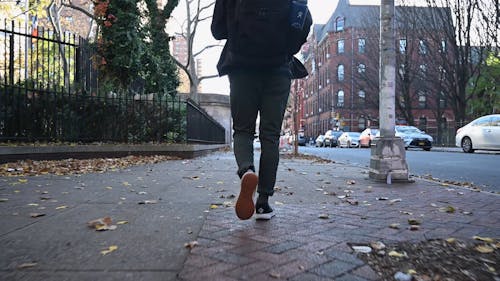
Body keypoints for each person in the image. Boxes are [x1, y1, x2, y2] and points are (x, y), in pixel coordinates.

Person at [211, 0, 312, 220]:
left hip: (242, 68)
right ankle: (263, 202)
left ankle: (247, 171)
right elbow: (303, 23)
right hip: (278, 70)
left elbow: (217, 31)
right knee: (270, 137)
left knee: (243, 131)